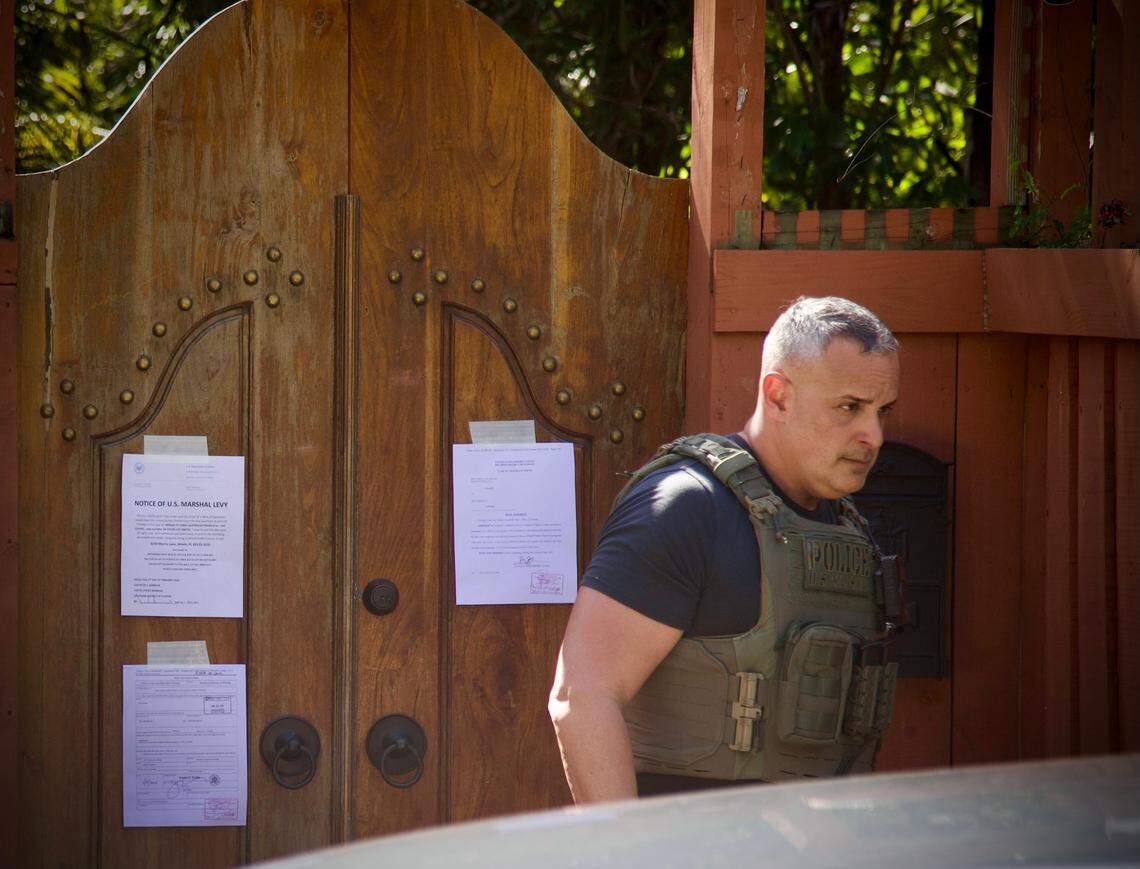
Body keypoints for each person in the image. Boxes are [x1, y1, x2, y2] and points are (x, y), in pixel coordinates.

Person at [548, 295, 903, 803]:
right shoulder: (687, 509)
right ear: (777, 395)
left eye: (881, 411)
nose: (872, 435)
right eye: (849, 407)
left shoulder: (848, 529)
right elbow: (580, 698)